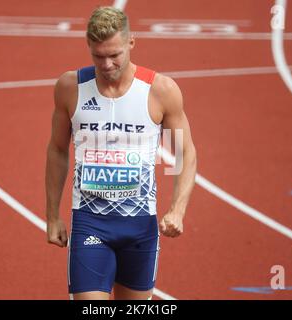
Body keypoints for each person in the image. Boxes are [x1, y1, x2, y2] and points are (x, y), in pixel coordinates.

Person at [45, 6, 197, 300]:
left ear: (131, 43)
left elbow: (185, 153)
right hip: (90, 221)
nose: (107, 64)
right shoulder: (70, 87)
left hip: (140, 227)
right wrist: (52, 216)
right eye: (98, 56)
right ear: (88, 47)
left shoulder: (161, 91)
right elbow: (57, 149)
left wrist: (178, 210)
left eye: (115, 55)